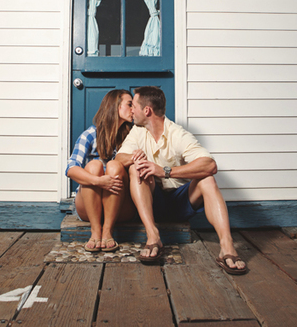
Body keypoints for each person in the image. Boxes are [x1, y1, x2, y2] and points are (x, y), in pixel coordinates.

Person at [115, 86, 248, 275]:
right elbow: (119, 159)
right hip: (153, 202)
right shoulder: (138, 131)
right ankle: (153, 236)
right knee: (136, 168)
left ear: (147, 111)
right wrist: (135, 157)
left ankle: (227, 247)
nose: (131, 111)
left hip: (181, 202)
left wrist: (165, 171)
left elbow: (210, 165)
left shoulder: (178, 134)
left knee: (207, 179)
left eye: (134, 106)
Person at [66, 89, 137, 252]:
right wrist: (99, 181)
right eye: (129, 104)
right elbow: (71, 169)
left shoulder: (133, 135)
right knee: (94, 166)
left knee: (114, 166)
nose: (133, 109)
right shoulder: (90, 134)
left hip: (120, 207)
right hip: (88, 207)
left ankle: (107, 231)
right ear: (115, 106)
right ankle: (95, 230)